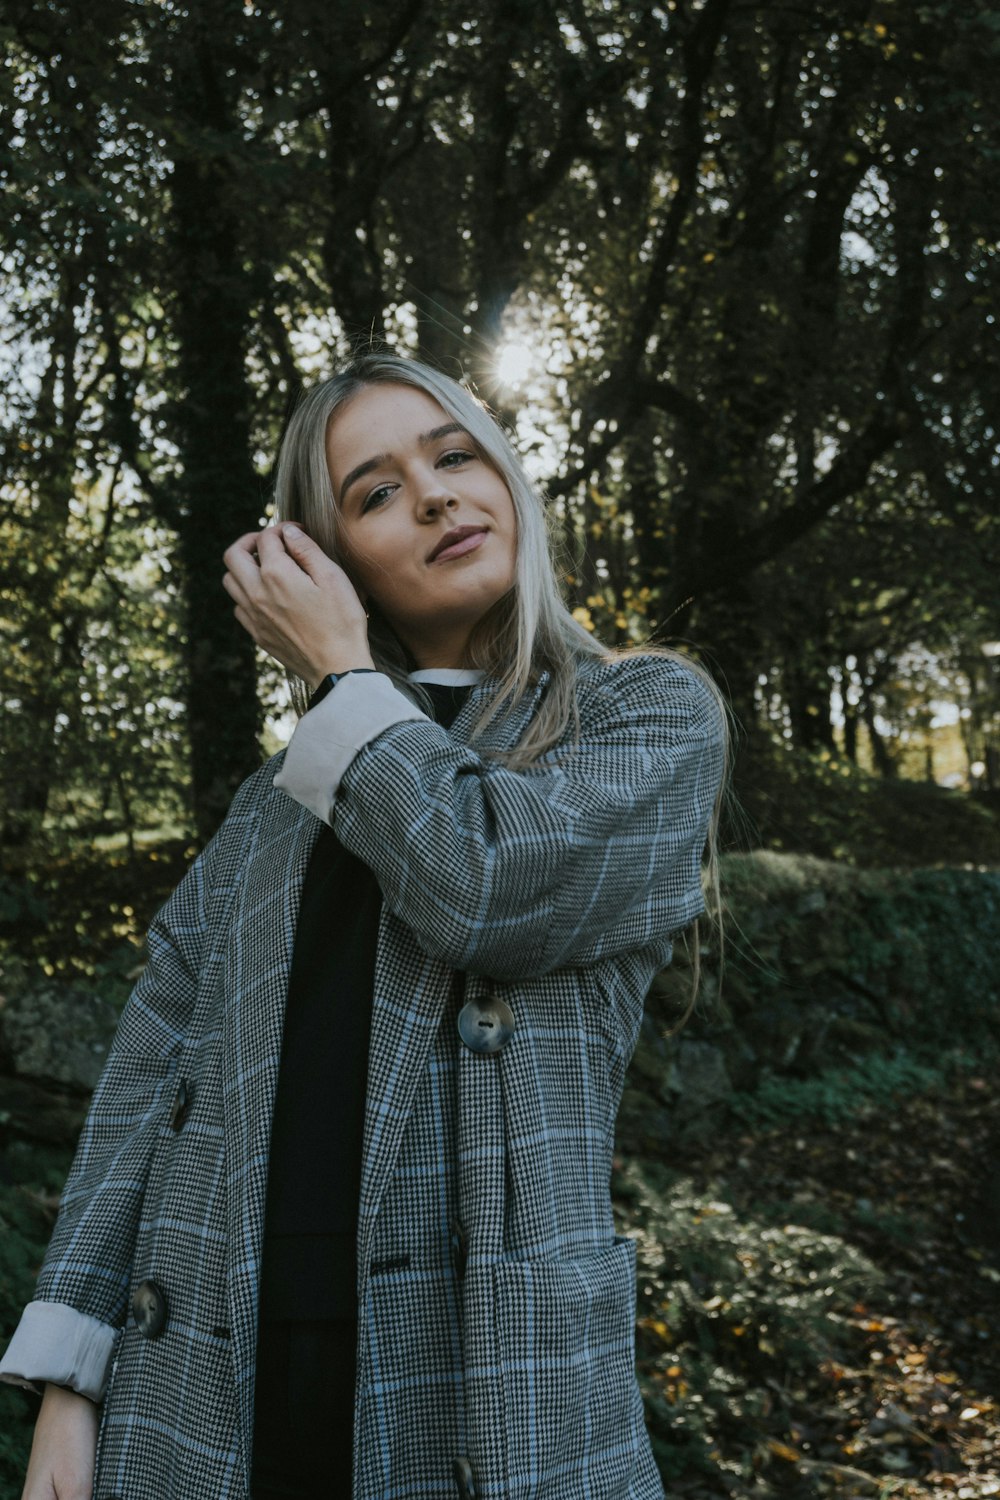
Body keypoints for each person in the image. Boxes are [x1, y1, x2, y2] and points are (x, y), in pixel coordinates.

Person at [1, 352, 727, 1499]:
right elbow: (149, 1080)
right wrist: (67, 1387)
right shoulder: (263, 810)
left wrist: (340, 673)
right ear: (329, 565)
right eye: (375, 492)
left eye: (453, 455)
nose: (434, 494)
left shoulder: (642, 713)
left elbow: (488, 884)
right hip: (202, 1397)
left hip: (489, 1397)